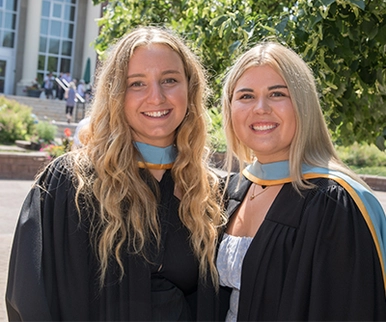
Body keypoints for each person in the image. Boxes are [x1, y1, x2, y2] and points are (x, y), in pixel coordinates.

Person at [6, 26, 225, 321]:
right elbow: (31, 297)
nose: (156, 97)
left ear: (190, 88)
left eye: (170, 80)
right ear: (116, 94)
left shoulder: (206, 193)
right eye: (137, 83)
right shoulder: (70, 183)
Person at [216, 41, 386, 321]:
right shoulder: (232, 191)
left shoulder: (334, 204)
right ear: (229, 108)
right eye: (246, 96)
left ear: (303, 104)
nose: (260, 108)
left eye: (277, 94)